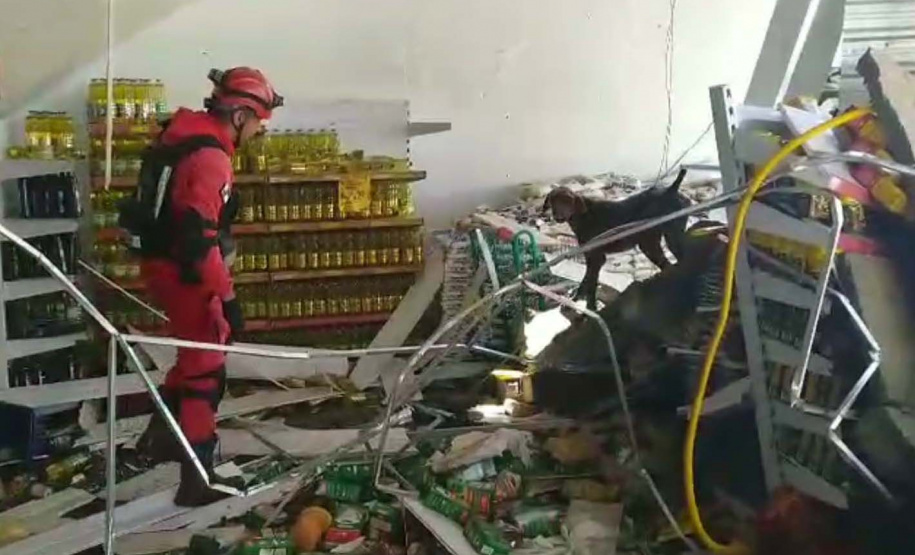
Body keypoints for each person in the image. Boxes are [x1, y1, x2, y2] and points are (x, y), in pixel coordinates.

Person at [134, 67, 282, 506]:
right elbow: (200, 242)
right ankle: (197, 480)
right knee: (205, 369)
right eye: (258, 123)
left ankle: (159, 441)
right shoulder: (210, 156)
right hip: (186, 274)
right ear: (240, 115)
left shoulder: (186, 135)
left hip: (163, 266)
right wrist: (229, 298)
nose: (258, 133)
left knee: (190, 356)